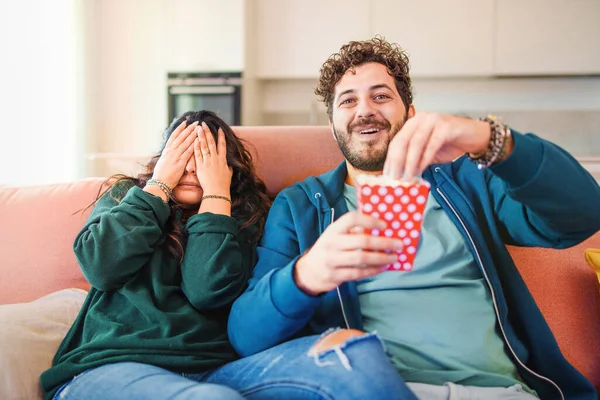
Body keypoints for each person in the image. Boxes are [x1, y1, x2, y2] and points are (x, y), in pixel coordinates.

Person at [223, 37, 600, 400]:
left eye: (381, 96)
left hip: (502, 392)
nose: (365, 110)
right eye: (348, 100)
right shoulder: (301, 205)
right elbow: (246, 335)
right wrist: (306, 274)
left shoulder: (468, 184)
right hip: (384, 390)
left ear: (411, 113)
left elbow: (583, 215)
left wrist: (489, 139)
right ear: (333, 124)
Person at [40, 110, 271, 400]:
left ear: (226, 168)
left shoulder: (246, 215)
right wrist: (159, 185)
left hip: (211, 366)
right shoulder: (126, 195)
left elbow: (206, 291)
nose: (190, 169)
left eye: (203, 157)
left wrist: (216, 195)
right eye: (181, 155)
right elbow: (102, 267)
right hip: (114, 362)